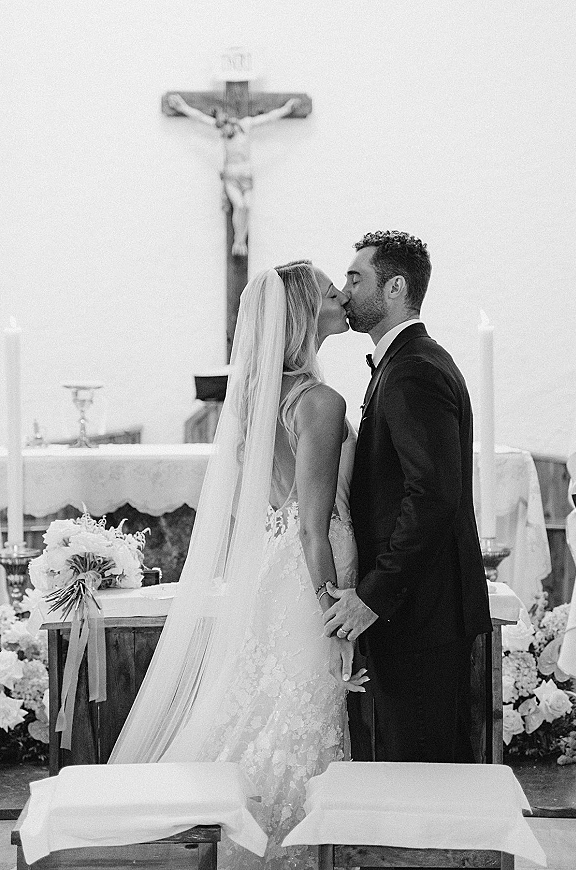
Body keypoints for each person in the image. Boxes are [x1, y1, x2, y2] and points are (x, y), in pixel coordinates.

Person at [109, 262, 365, 870]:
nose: (342, 299)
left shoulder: (258, 397)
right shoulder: (319, 400)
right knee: (303, 712)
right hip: (311, 571)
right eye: (331, 292)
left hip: (278, 570)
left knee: (272, 709)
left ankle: (256, 847)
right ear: (304, 314)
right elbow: (311, 521)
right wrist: (333, 607)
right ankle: (291, 851)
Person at [323, 230, 493, 763]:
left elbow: (432, 498)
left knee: (424, 769)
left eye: (357, 278)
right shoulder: (402, 363)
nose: (345, 291)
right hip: (418, 607)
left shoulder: (413, 370)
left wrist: (373, 595)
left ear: (395, 287)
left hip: (423, 613)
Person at [167, 94, 300, 256]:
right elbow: (200, 117)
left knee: (248, 206)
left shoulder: (247, 124)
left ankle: (241, 241)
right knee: (240, 205)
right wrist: (182, 107)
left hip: (246, 175)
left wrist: (286, 109)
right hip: (231, 176)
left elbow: (268, 118)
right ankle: (239, 241)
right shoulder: (222, 127)